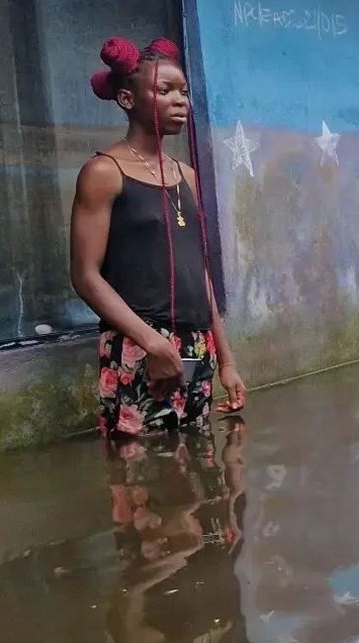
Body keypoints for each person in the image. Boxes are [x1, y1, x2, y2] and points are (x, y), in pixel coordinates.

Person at [71, 37, 246, 437]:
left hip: (196, 347)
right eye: (164, 90)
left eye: (183, 91)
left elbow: (198, 273)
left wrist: (226, 360)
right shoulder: (104, 172)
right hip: (138, 347)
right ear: (127, 100)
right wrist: (153, 343)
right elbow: (85, 276)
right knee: (137, 471)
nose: (180, 100)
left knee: (198, 468)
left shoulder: (187, 176)